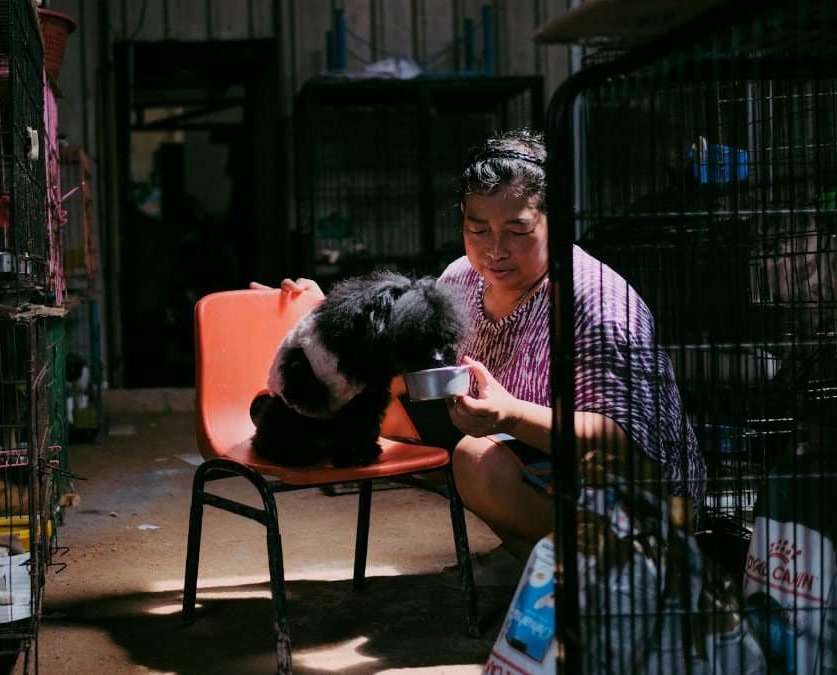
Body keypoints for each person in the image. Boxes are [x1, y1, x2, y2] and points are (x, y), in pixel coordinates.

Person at [255, 129, 705, 559]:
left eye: (518, 230)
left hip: (639, 497)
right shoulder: (462, 279)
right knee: (387, 401)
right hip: (546, 468)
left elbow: (622, 443)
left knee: (476, 460)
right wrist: (325, 311)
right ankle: (533, 554)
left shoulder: (597, 302)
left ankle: (602, 573)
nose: (495, 249)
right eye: (478, 229)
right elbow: (388, 356)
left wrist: (510, 414)